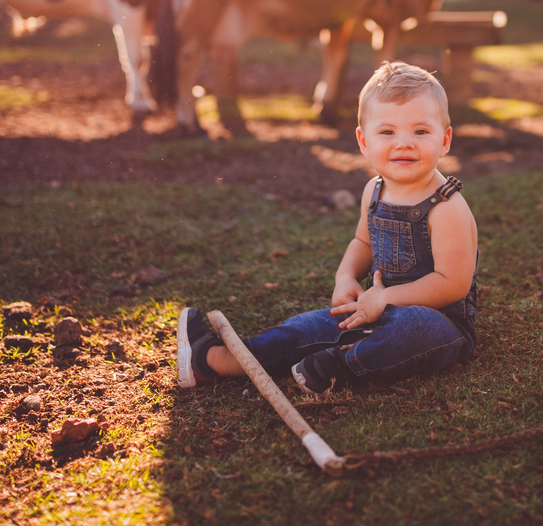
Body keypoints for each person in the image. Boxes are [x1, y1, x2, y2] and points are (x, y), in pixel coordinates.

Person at [176, 60, 479, 394]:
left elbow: (452, 285)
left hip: (440, 323)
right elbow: (362, 243)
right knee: (306, 327)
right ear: (364, 142)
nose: (404, 143)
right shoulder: (374, 190)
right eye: (387, 132)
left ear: (445, 139)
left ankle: (341, 367)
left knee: (413, 329)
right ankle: (213, 362)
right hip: (371, 310)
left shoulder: (447, 207)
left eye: (420, 131)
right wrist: (346, 277)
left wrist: (387, 298)